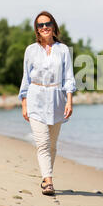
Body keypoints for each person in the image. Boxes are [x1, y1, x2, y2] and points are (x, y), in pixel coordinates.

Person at [18, 11, 76, 196]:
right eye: (40, 25)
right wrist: (24, 103)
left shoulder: (63, 49)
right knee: (42, 143)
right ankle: (49, 182)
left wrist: (69, 101)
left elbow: (68, 77)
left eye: (47, 23)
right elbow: (25, 78)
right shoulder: (30, 50)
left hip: (57, 99)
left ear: (54, 26)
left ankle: (45, 175)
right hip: (36, 97)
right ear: (36, 29)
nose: (44, 27)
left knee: (52, 145)